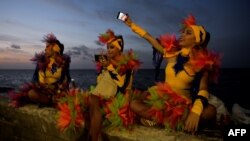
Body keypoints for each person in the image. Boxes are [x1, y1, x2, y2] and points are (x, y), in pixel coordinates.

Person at [121, 14, 221, 133]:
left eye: (188, 33)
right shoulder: (171, 55)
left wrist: (196, 112)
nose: (182, 35)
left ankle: (162, 121)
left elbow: (203, 89)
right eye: (183, 32)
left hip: (182, 105)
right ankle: (172, 123)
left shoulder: (202, 64)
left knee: (211, 111)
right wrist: (131, 24)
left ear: (197, 41)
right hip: (163, 99)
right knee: (133, 103)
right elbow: (149, 38)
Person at [88, 29, 140, 141]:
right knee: (92, 99)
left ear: (119, 48)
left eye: (111, 47)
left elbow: (122, 84)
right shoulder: (108, 63)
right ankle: (97, 137)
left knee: (93, 99)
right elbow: (100, 84)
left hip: (113, 100)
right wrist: (105, 67)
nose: (108, 50)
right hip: (99, 96)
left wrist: (109, 66)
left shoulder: (126, 65)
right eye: (107, 47)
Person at [9, 33, 71, 107]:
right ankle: (49, 101)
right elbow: (35, 79)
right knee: (31, 93)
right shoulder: (42, 62)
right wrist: (41, 85)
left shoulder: (63, 63)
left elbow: (66, 80)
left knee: (65, 98)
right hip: (43, 90)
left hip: (57, 91)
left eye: (47, 47)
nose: (45, 49)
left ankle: (51, 101)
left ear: (55, 47)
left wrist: (61, 88)